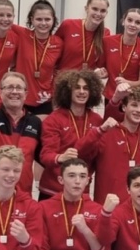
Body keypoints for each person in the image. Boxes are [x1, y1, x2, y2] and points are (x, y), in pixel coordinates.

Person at [75, 87, 140, 203]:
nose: (138, 110)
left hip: (136, 209)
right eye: (134, 105)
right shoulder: (107, 132)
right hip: (107, 206)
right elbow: (79, 153)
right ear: (124, 107)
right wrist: (99, 131)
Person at [35, 158, 108, 250]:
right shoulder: (43, 207)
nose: (77, 181)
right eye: (71, 175)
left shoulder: (97, 210)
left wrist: (85, 230)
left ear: (88, 181)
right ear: (61, 180)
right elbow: (41, 244)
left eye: (82, 176)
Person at [0, 0, 63, 118]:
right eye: (39, 19)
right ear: (32, 20)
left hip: (44, 100)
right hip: (19, 98)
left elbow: (58, 71)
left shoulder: (58, 43)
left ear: (53, 20)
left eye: (47, 19)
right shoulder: (22, 34)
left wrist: (54, 95)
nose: (43, 23)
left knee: (41, 137)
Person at [39, 70, 104, 200]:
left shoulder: (96, 120)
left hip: (81, 190)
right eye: (77, 88)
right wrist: (60, 157)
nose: (82, 91)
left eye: (86, 88)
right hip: (54, 190)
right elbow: (46, 155)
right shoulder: (54, 119)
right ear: (67, 91)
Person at [0, 72, 42, 193]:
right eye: (9, 87)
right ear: (0, 92)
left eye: (19, 88)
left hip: (24, 193)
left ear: (26, 94)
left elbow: (44, 156)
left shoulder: (35, 122)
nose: (15, 92)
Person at [99, 8, 140, 103]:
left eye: (137, 22)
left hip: (132, 98)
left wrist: (127, 83)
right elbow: (101, 67)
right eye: (129, 20)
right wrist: (100, 72)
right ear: (123, 21)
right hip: (111, 96)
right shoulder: (108, 42)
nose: (132, 25)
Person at [55, 0, 110, 71]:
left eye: (103, 11)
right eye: (95, 9)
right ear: (86, 9)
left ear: (106, 13)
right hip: (65, 80)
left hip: (87, 81)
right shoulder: (68, 25)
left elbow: (101, 63)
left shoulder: (105, 33)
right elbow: (53, 51)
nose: (98, 14)